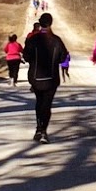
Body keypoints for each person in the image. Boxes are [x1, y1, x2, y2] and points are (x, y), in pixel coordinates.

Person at [23, 12, 69, 143]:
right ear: (51, 23)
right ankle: (43, 131)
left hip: (36, 78)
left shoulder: (33, 40)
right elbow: (63, 57)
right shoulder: (56, 40)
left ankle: (39, 129)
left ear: (41, 23)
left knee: (39, 102)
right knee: (47, 105)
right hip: (51, 78)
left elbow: (26, 57)